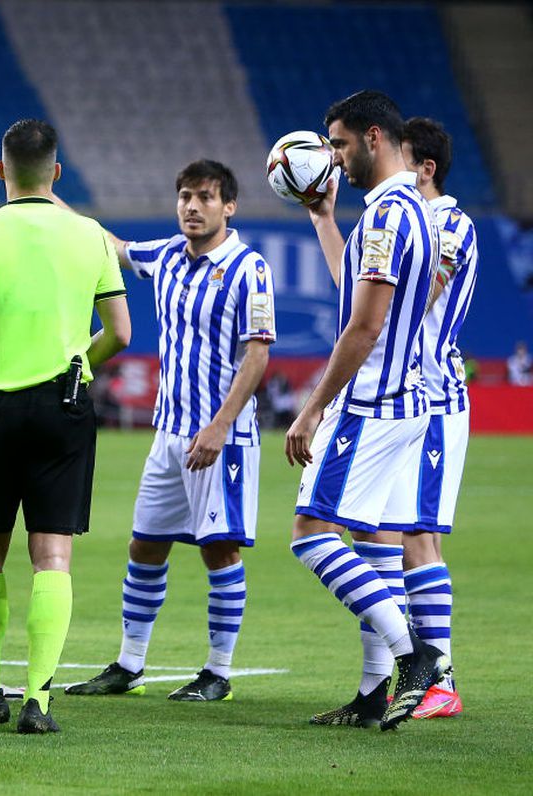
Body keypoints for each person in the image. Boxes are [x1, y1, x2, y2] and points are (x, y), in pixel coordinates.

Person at [0, 119, 130, 733]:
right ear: (57, 173)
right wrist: (75, 368)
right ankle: (38, 699)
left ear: (1, 170)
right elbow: (120, 333)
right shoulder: (90, 235)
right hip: (65, 409)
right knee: (53, 556)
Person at [67, 160, 276, 703]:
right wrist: (48, 203)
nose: (192, 206)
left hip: (220, 436)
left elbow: (256, 357)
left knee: (220, 550)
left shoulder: (249, 268)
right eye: (185, 195)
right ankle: (130, 663)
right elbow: (108, 244)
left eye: (205, 197)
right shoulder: (166, 256)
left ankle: (218, 672)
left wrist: (220, 424)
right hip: (169, 435)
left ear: (228, 206)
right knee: (145, 545)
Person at [287, 90, 449, 731]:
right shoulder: (407, 209)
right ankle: (374, 689)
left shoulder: (385, 217)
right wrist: (324, 218)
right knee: (375, 547)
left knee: (311, 536)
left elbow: (363, 327)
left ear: (374, 138)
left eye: (340, 144)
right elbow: (357, 291)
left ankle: (416, 655)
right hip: (408, 400)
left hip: (372, 403)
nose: (333, 157)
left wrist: (311, 408)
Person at [388, 117, 477, 720]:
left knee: (420, 535)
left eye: (401, 159)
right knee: (394, 539)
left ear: (425, 168)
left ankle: (440, 675)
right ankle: (415, 673)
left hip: (435, 396)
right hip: (405, 396)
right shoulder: (409, 220)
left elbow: (417, 295)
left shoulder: (449, 223)